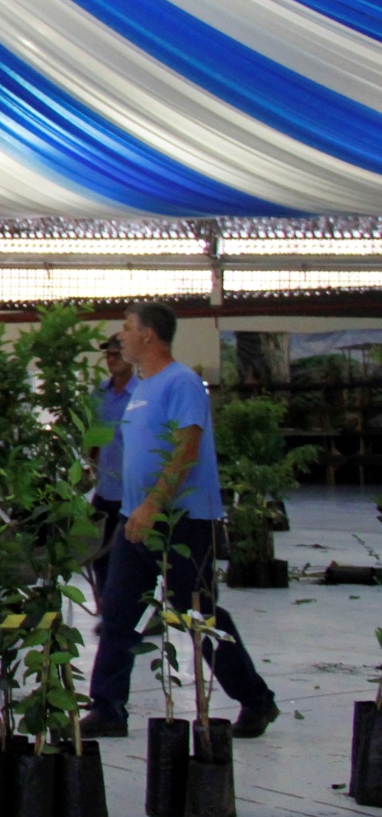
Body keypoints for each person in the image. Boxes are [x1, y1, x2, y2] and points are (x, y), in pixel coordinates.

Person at [81, 303, 278, 739]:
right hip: (135, 519)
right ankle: (108, 707)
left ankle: (256, 700)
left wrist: (154, 504)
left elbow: (186, 449)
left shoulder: (182, 383)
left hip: (180, 521)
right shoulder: (140, 389)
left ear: (148, 334)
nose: (120, 337)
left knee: (198, 615)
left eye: (127, 328)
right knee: (118, 612)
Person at [87, 335, 134, 592]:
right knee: (98, 555)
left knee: (128, 559)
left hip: (131, 493)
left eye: (117, 354)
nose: (112, 359)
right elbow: (94, 439)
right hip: (105, 490)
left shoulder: (141, 394)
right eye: (108, 355)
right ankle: (106, 607)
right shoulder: (100, 394)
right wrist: (90, 466)